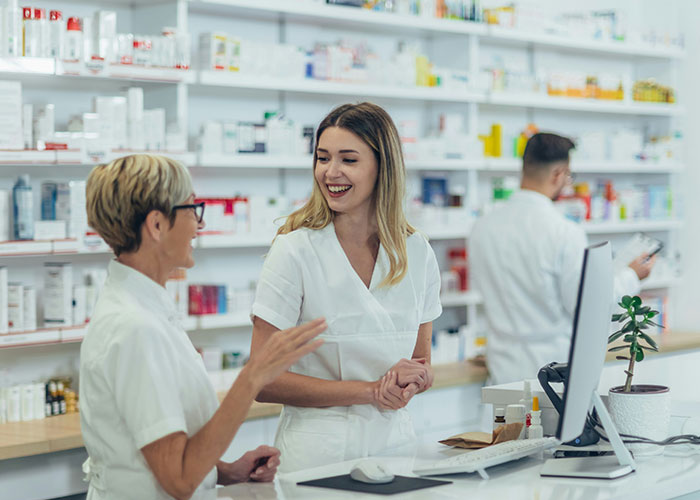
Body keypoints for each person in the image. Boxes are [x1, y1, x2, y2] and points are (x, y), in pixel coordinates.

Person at [80, 154, 326, 500]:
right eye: (192, 209)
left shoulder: (145, 309)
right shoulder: (135, 328)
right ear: (157, 225)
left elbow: (159, 448)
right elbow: (178, 480)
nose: (199, 224)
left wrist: (224, 470)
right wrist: (253, 376)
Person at [249, 102, 442, 473]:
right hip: (316, 457)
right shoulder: (294, 250)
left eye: (348, 160)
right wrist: (371, 391)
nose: (330, 172)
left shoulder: (416, 251)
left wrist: (416, 380)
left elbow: (422, 363)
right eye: (323, 158)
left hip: (395, 449)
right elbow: (262, 378)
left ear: (382, 167)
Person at [470, 133, 656, 385]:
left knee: (507, 425)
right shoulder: (564, 231)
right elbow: (586, 304)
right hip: (552, 373)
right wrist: (632, 275)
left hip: (502, 369)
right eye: (568, 176)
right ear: (558, 174)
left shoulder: (483, 227)